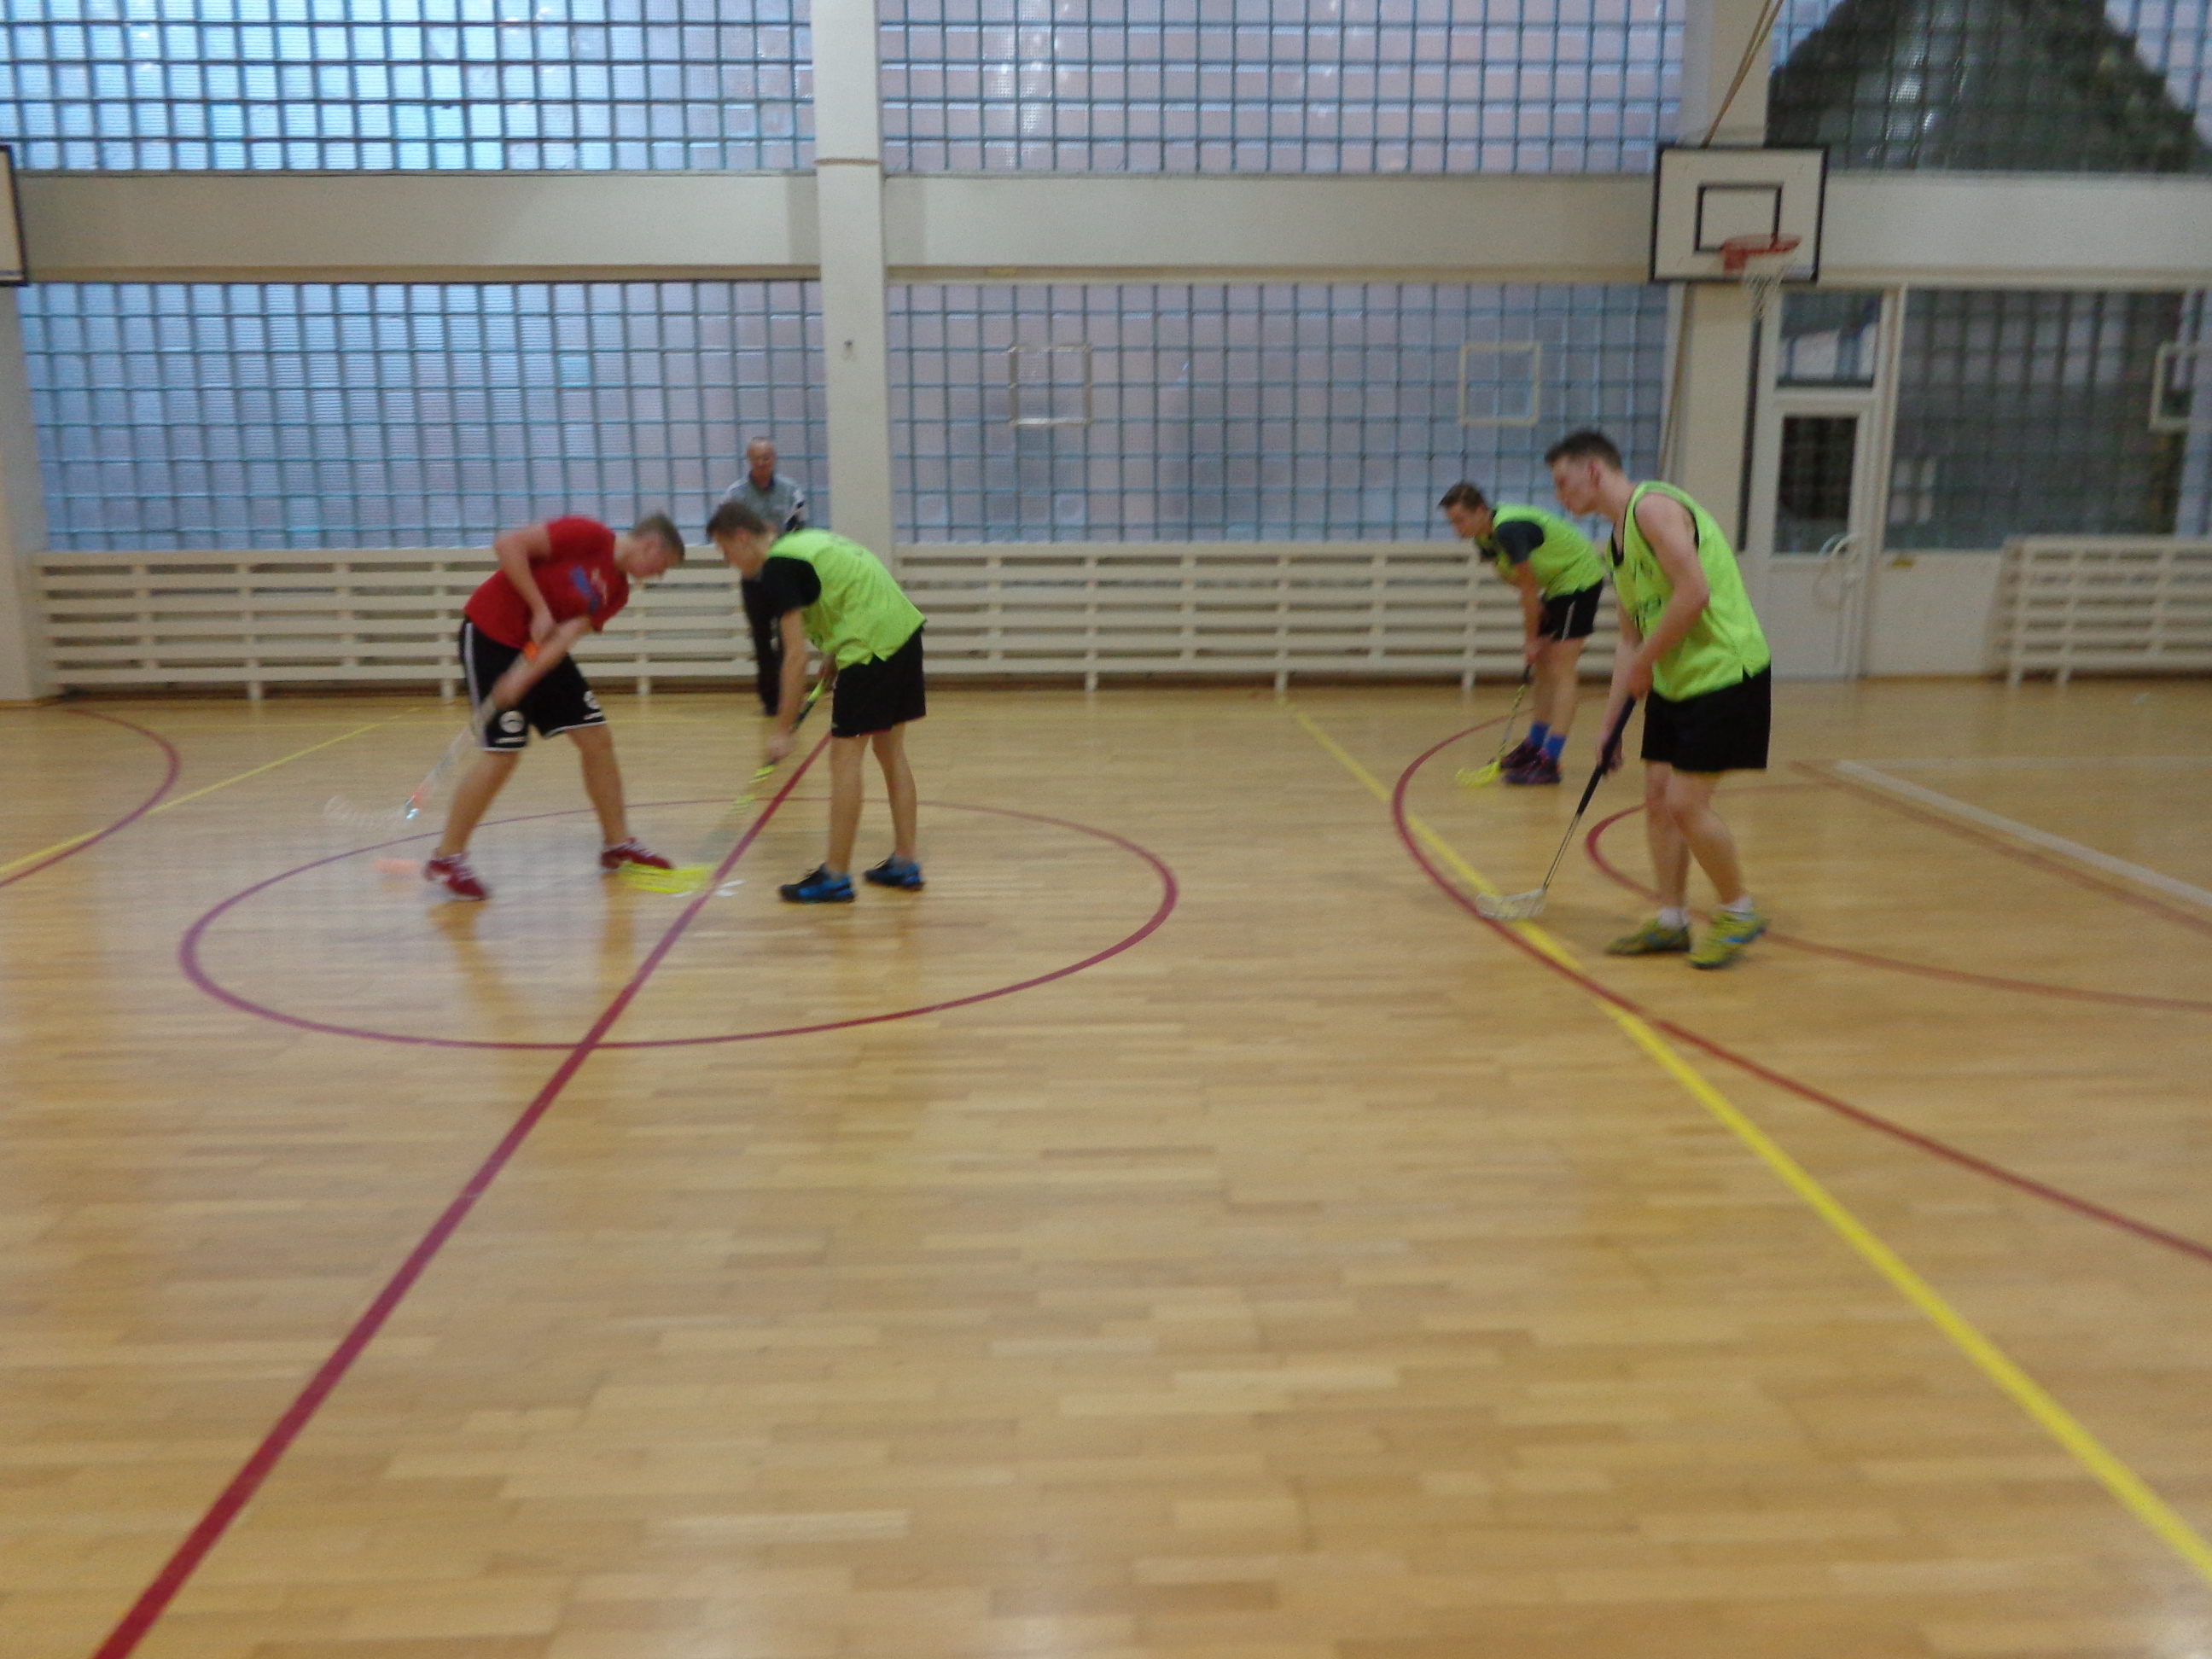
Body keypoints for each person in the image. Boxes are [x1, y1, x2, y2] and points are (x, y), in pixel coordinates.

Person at [1545, 428, 1773, 970]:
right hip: (1676, 680)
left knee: (1685, 804)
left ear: (1593, 471)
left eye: (1563, 482)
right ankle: (1671, 921)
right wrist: (1610, 725)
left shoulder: (1654, 509)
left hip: (1725, 673)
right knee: (1656, 800)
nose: (1559, 496)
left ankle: (1738, 910)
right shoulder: (1615, 544)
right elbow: (1630, 639)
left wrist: (1647, 661)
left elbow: (1694, 593)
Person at [422, 513, 685, 902]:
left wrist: (523, 678)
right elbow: (508, 545)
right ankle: (447, 857)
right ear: (651, 546)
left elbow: (564, 637)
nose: (658, 575)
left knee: (596, 738)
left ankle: (617, 845)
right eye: (662, 566)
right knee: (503, 754)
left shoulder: (616, 592)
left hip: (539, 651)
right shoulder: (587, 535)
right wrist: (539, 607)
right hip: (492, 635)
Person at [707, 501, 927, 904]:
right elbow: (843, 591)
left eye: (724, 550)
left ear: (740, 537)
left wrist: (782, 729)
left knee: (844, 760)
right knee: (891, 751)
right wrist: (833, 655)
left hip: (870, 647)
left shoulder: (778, 566)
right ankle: (905, 862)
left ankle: (835, 877)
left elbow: (794, 657)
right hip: (902, 634)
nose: (727, 561)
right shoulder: (804, 542)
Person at [1439, 480, 1606, 784]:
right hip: (1554, 586)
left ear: (1481, 510)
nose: (1457, 529)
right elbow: (1517, 581)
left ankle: (1550, 760)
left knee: (1561, 667)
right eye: (1452, 523)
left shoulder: (1508, 530)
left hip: (1578, 580)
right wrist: (1537, 625)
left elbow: (1528, 588)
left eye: (1461, 520)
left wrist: (1531, 638)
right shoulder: (1484, 539)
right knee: (1543, 666)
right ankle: (1534, 746)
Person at [720, 437, 809, 717]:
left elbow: (801, 529)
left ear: (774, 458)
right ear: (749, 459)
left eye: (767, 457)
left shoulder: (791, 491)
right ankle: (770, 699)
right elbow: (725, 530)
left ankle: (788, 695)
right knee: (760, 639)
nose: (762, 462)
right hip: (753, 578)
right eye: (757, 458)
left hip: (785, 576)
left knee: (788, 639)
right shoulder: (735, 495)